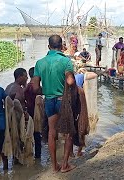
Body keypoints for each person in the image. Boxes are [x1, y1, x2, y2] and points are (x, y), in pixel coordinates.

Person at [32, 34, 76, 173]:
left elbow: (34, 87)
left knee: (52, 133)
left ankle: (54, 166)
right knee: (68, 132)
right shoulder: (66, 61)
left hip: (49, 100)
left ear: (48, 46)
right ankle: (65, 165)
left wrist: (45, 89)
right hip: (63, 101)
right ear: (62, 46)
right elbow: (70, 82)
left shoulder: (40, 62)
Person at [24, 67, 42, 158]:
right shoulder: (35, 87)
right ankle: (38, 156)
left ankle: (32, 154)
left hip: (29, 112)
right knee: (37, 134)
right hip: (35, 113)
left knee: (32, 133)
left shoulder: (27, 86)